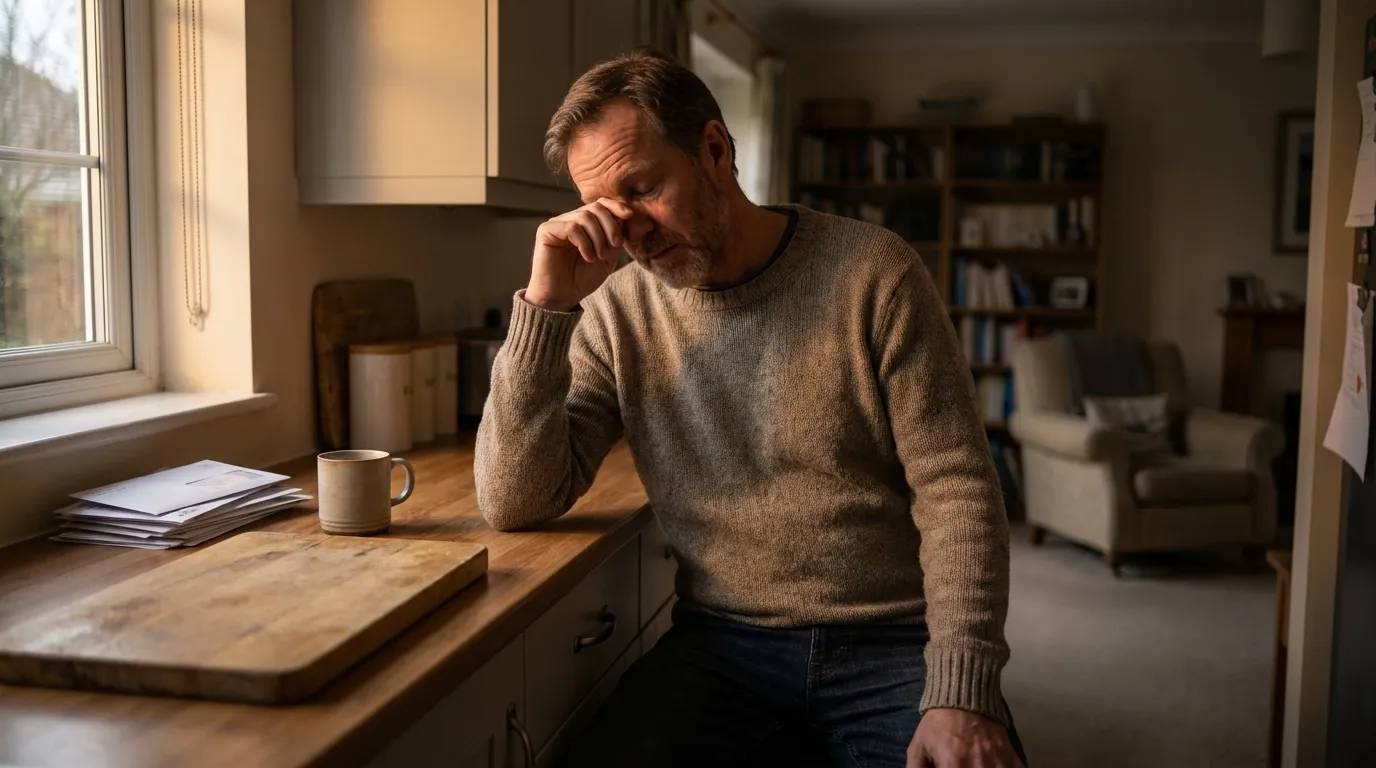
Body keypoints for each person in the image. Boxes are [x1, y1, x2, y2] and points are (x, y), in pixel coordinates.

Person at [474, 48, 1026, 768]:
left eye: (641, 188)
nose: (630, 234)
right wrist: (547, 307)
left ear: (713, 150)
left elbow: (958, 489)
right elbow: (516, 499)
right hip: (722, 645)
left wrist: (961, 689)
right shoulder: (616, 312)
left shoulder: (873, 272)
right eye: (606, 208)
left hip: (895, 640)